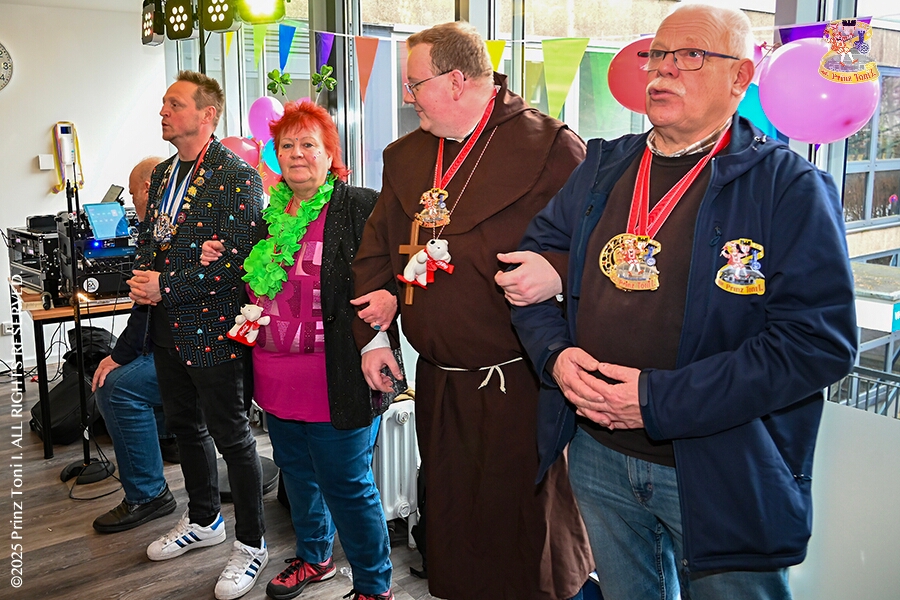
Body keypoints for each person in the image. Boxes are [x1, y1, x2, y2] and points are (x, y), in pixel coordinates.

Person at [507, 5, 858, 600]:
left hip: (723, 467)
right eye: (657, 54)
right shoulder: (602, 167)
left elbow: (816, 345)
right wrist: (555, 357)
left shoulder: (789, 188)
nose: (663, 69)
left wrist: (655, 401)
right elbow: (528, 271)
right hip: (597, 453)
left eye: (691, 55)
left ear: (740, 77)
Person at [352, 21, 592, 600]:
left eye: (415, 84)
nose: (408, 97)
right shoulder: (407, 155)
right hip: (440, 382)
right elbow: (378, 248)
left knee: (525, 536)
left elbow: (595, 245)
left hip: (522, 382)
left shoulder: (550, 147)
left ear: (456, 81)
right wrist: (376, 337)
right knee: (454, 524)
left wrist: (556, 271)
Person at [201, 100, 396, 600]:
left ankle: (374, 586)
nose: (296, 154)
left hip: (336, 376)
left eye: (309, 144)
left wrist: (388, 310)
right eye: (287, 145)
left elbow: (390, 273)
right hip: (274, 375)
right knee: (299, 477)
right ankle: (315, 558)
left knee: (347, 485)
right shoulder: (267, 218)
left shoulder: (359, 206)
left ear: (331, 153)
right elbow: (252, 281)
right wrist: (220, 254)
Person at [127, 70, 267, 600]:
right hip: (165, 326)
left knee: (232, 436)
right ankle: (205, 520)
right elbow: (154, 236)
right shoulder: (164, 173)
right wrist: (145, 278)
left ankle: (252, 544)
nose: (163, 112)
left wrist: (167, 284)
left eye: (175, 104)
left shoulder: (238, 176)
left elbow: (236, 263)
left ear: (207, 115)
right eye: (164, 103)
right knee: (185, 427)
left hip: (212, 328)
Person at [91, 156, 181, 534]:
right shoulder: (165, 229)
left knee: (115, 388)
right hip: (175, 343)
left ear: (148, 189)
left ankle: (148, 494)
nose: (130, 201)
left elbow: (145, 311)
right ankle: (168, 440)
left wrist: (117, 357)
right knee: (122, 371)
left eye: (131, 193)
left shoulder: (167, 235)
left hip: (196, 353)